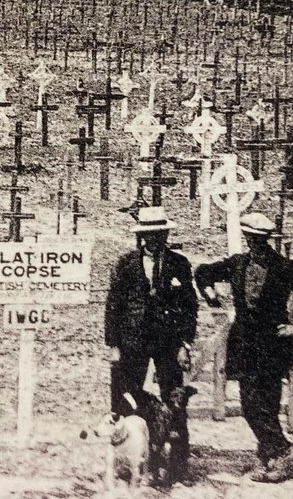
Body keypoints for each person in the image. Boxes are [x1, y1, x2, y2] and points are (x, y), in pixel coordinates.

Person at [194, 212, 293, 483]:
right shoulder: (237, 263)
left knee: (269, 405)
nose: (256, 245)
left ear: (268, 239)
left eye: (261, 240)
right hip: (245, 345)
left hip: (274, 345)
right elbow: (202, 272)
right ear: (246, 238)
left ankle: (271, 460)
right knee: (250, 405)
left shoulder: (283, 267)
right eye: (252, 239)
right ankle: (284, 450)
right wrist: (211, 296)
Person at [104, 205, 198, 483]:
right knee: (126, 399)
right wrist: (114, 345)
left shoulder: (179, 263)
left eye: (160, 234)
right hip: (132, 341)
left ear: (166, 234)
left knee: (174, 401)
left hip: (168, 343)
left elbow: (189, 307)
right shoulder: (125, 264)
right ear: (142, 235)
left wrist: (185, 343)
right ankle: (126, 461)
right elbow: (113, 307)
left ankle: (178, 465)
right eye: (150, 234)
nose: (155, 239)